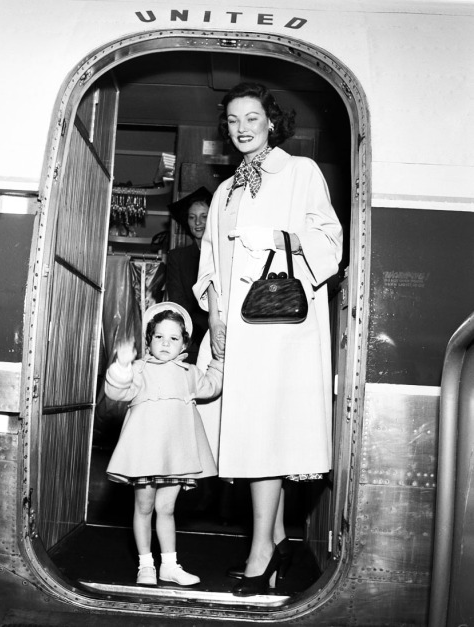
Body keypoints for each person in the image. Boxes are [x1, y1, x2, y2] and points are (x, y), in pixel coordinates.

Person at [193, 83, 343, 596]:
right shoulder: (226, 190)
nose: (242, 128)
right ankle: (276, 543)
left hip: (280, 330)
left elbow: (331, 241)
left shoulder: (300, 172)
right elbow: (210, 261)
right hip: (234, 326)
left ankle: (261, 553)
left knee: (264, 434)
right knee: (258, 432)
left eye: (252, 117)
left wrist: (283, 238)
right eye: (233, 120)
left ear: (271, 122)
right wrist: (214, 318)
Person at [105, 302, 223, 587]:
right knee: (143, 508)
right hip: (145, 454)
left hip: (175, 457)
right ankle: (146, 565)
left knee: (167, 509)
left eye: (173, 338)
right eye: (159, 337)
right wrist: (121, 366)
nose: (166, 343)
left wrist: (220, 360)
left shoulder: (189, 373)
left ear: (185, 343)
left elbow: (212, 385)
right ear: (149, 340)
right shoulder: (139, 370)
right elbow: (115, 391)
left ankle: (169, 565)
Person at [166, 187, 212, 364]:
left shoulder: (224, 255)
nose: (198, 222)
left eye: (204, 216)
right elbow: (178, 301)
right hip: (191, 339)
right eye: (192, 217)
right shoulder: (177, 257)